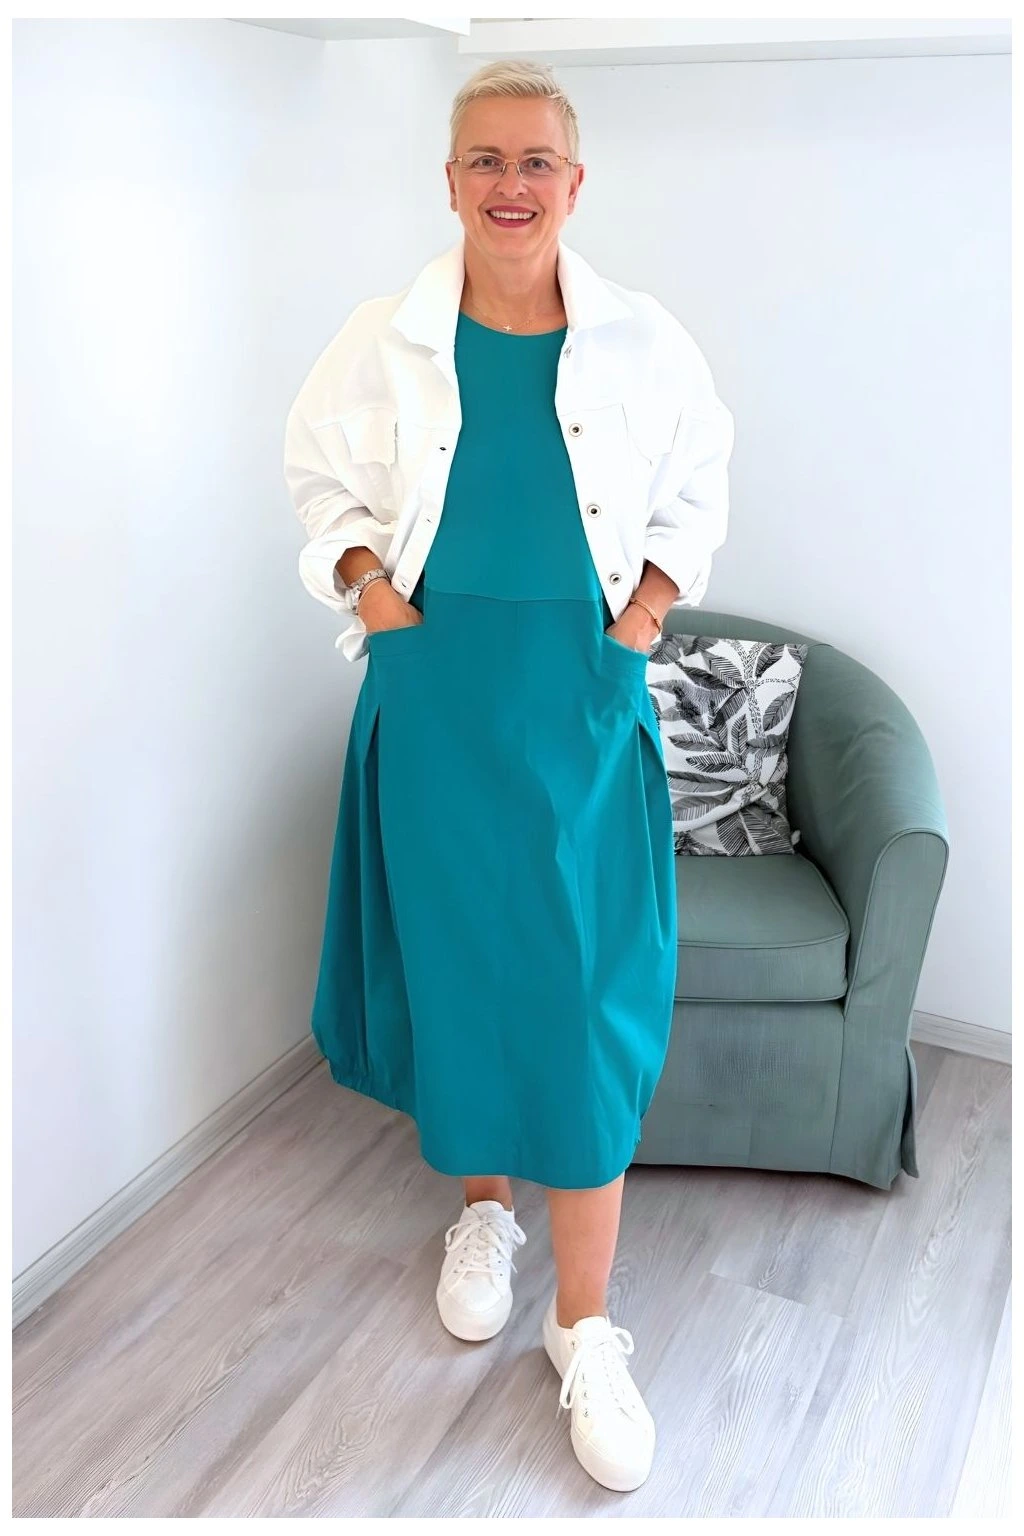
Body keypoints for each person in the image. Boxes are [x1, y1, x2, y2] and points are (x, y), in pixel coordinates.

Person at [283, 58, 734, 1494]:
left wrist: (641, 621)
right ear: (451, 181)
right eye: (485, 160)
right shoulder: (383, 338)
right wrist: (374, 594)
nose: (511, 184)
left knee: (587, 994)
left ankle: (584, 1324)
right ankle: (485, 1212)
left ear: (575, 182)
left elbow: (698, 488)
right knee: (464, 966)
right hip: (436, 697)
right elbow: (316, 479)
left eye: (535, 160)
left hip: (581, 697)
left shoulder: (644, 342)